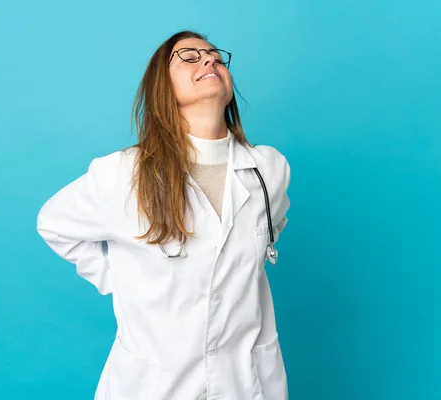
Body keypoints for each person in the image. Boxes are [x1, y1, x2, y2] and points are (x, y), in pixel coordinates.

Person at [37, 30, 291, 400]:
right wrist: (120, 278)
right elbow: (54, 223)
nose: (209, 60)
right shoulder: (124, 173)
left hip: (246, 383)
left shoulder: (268, 171)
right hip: (153, 386)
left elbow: (272, 225)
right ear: (163, 88)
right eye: (189, 57)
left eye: (215, 56)